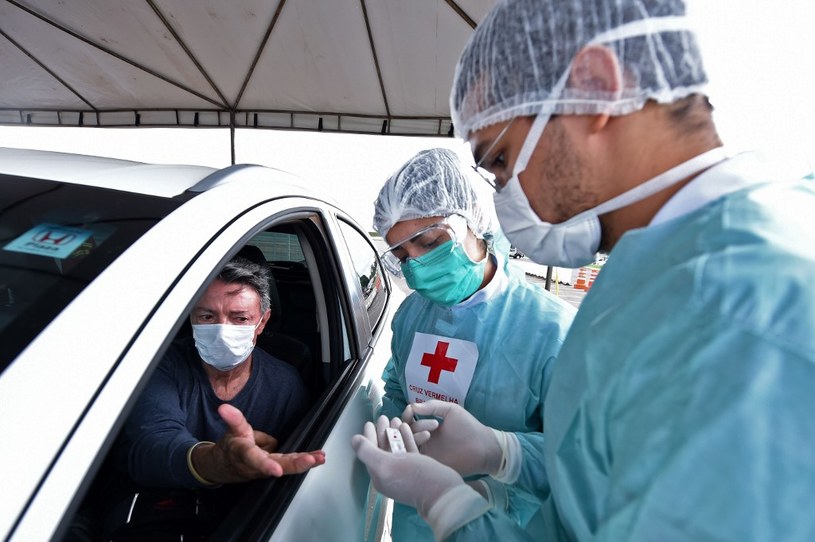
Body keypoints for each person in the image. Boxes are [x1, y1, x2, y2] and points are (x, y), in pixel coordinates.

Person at [353, 0, 815, 540]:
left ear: (595, 89)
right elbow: (594, 496)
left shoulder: (740, 311)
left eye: (499, 160)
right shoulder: (659, 279)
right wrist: (491, 465)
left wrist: (454, 501)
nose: (504, 195)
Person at [372, 147, 575, 540]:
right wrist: (394, 438)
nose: (415, 266)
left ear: (474, 223)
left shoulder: (553, 331)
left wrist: (498, 473)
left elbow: (586, 457)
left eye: (429, 242)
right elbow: (399, 387)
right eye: (401, 254)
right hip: (419, 521)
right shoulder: (412, 314)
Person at [106, 255, 325, 537]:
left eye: (240, 318)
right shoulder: (162, 365)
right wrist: (214, 462)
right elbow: (151, 443)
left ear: (262, 322)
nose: (222, 331)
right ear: (192, 318)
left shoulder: (286, 385)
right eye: (207, 317)